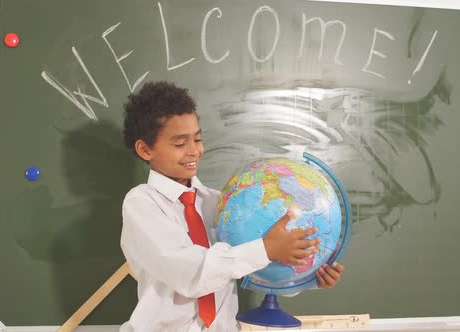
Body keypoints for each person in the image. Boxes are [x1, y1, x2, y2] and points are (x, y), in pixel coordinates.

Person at [119, 81, 345, 332]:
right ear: (145, 149)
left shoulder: (224, 204)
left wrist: (307, 275)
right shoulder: (141, 204)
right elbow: (190, 272)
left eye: (198, 138)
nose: (194, 151)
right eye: (180, 143)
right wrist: (267, 248)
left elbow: (251, 265)